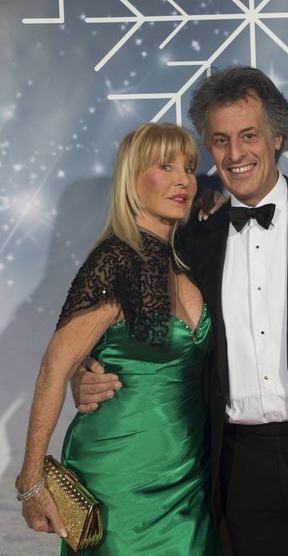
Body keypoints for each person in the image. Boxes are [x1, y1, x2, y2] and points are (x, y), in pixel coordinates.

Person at [74, 68, 288, 556]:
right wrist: (87, 374)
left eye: (248, 135)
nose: (235, 154)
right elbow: (152, 342)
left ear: (277, 137)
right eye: (220, 140)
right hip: (239, 474)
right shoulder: (191, 239)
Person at [16, 122, 221, 555]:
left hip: (188, 477)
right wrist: (31, 481)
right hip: (119, 475)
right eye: (165, 166)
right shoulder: (113, 261)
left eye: (188, 168)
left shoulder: (184, 262)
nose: (183, 180)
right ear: (132, 178)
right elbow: (54, 369)